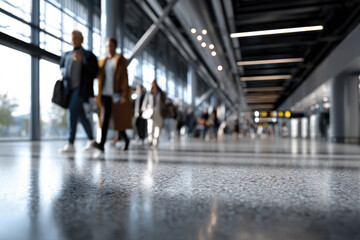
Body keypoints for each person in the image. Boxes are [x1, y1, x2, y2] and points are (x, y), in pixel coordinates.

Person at [58, 30, 98, 153]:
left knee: (72, 112)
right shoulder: (66, 55)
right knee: (81, 115)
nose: (74, 40)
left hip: (81, 90)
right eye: (72, 37)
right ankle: (91, 140)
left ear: (82, 39)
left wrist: (83, 61)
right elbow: (62, 68)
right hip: (69, 90)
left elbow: (95, 72)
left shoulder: (88, 55)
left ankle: (70, 143)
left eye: (76, 37)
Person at [94, 37, 133, 152]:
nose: (109, 48)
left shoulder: (120, 60)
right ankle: (101, 143)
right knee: (105, 118)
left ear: (115, 46)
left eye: (111, 46)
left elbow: (125, 78)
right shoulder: (103, 61)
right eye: (107, 46)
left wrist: (125, 95)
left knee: (118, 119)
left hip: (116, 94)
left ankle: (125, 139)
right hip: (105, 94)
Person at [141, 80, 166, 147]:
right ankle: (150, 138)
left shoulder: (160, 93)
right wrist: (144, 107)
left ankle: (155, 139)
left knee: (157, 126)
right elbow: (145, 101)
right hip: (150, 111)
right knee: (150, 125)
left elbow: (164, 103)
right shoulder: (149, 93)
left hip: (158, 111)